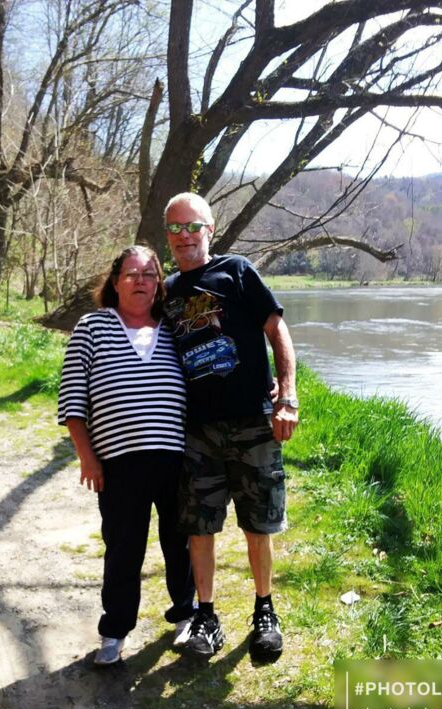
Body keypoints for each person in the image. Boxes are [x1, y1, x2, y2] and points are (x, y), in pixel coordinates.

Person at [162, 192, 299, 663]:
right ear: (167, 236)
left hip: (251, 422)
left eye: (192, 226)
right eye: (175, 228)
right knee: (199, 526)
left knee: (258, 523)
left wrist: (287, 395)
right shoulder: (166, 291)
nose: (184, 236)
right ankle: (207, 616)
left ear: (210, 229)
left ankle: (265, 611)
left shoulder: (237, 271)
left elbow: (277, 330)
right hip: (197, 430)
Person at [57, 245, 195, 665]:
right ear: (115, 282)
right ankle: (115, 632)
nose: (140, 281)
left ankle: (186, 616)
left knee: (180, 542)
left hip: (175, 458)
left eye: (149, 274)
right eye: (131, 274)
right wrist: (87, 457)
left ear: (159, 285)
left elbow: (210, 374)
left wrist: (268, 388)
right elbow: (72, 400)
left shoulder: (175, 328)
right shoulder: (92, 327)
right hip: (118, 462)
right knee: (123, 548)